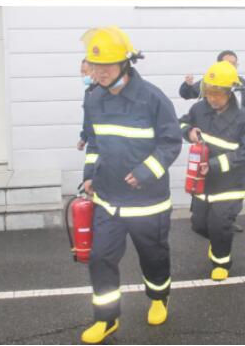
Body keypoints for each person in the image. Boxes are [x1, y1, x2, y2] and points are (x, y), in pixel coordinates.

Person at [79, 27, 182, 344]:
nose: (100, 72)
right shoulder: (94, 98)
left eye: (107, 65)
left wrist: (145, 172)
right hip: (108, 201)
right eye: (95, 65)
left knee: (153, 257)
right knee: (100, 258)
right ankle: (106, 319)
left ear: (126, 63)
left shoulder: (152, 98)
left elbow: (171, 142)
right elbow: (94, 142)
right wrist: (89, 175)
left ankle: (159, 297)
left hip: (148, 203)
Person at [179, 61, 245, 281]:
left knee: (220, 225)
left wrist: (212, 165)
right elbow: (181, 123)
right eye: (208, 92)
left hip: (230, 184)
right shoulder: (199, 109)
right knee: (198, 225)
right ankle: (217, 240)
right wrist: (188, 132)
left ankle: (221, 262)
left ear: (229, 92)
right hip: (203, 183)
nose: (212, 98)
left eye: (217, 93)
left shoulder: (244, 119)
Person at [179, 50, 245, 114]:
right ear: (218, 64)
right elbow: (187, 94)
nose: (231, 67)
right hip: (214, 121)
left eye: (234, 64)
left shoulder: (242, 83)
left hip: (237, 123)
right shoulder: (210, 81)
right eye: (228, 64)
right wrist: (187, 85)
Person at [77, 59, 96, 151]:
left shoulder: (107, 93)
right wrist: (84, 138)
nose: (82, 75)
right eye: (81, 72)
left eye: (85, 72)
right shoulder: (88, 92)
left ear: (94, 71)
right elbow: (88, 118)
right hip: (92, 146)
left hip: (105, 147)